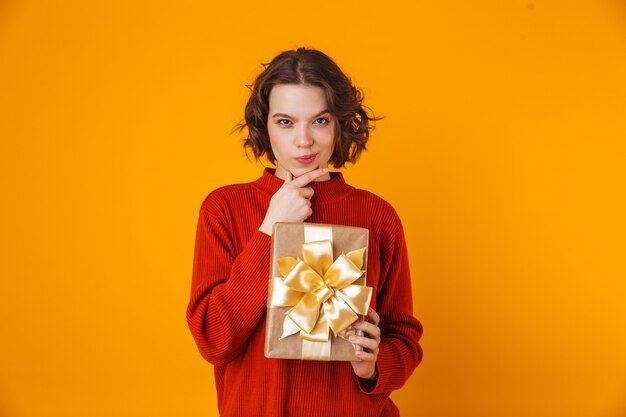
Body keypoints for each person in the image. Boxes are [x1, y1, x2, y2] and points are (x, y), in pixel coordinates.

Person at [187, 47, 423, 417]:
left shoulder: (378, 215)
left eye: (319, 121)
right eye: (285, 122)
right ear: (264, 125)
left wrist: (373, 364)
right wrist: (271, 230)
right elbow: (214, 341)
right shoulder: (224, 209)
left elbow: (404, 340)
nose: (303, 141)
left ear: (340, 123)